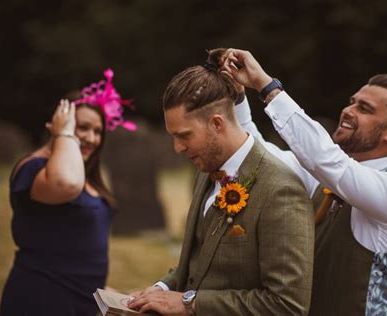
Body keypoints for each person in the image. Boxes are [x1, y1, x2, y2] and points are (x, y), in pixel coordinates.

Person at [220, 48, 387, 315]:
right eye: (352, 102)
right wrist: (236, 93)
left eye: (364, 109)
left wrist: (266, 85)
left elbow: (328, 161)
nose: (348, 111)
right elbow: (255, 152)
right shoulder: (321, 176)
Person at [127, 51, 314, 315]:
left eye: (184, 136)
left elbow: (286, 305)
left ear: (217, 123)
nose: (177, 148)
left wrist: (189, 303)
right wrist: (159, 290)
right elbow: (196, 268)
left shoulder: (280, 189)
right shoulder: (205, 171)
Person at [0, 69, 136, 315]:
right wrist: (63, 133)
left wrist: (113, 298)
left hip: (81, 302)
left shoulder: (87, 177)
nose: (91, 138)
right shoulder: (35, 168)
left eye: (98, 132)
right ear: (58, 122)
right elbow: (66, 184)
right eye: (81, 127)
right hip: (41, 298)